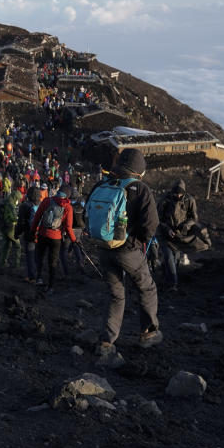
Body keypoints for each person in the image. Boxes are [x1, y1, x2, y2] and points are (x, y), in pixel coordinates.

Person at [87, 148, 161, 351]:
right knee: (147, 288)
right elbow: (151, 224)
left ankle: (107, 340)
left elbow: (87, 211)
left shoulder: (102, 184)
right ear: (139, 169)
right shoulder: (140, 189)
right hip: (128, 251)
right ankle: (149, 333)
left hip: (103, 248)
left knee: (116, 294)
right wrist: (137, 242)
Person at [30, 188, 76, 296]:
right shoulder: (68, 207)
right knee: (53, 262)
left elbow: (37, 217)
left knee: (40, 256)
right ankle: (51, 286)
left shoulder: (47, 201)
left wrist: (33, 231)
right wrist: (74, 240)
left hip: (42, 233)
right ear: (67, 196)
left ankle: (39, 278)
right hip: (56, 237)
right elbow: (68, 227)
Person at [157, 179, 198, 293]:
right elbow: (158, 218)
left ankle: (165, 277)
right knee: (169, 257)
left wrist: (186, 226)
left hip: (180, 235)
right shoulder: (165, 200)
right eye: (176, 193)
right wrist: (167, 229)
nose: (178, 195)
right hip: (165, 234)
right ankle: (173, 284)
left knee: (176, 259)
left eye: (180, 193)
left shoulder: (189, 201)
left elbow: (194, 218)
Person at [16, 186, 42, 283]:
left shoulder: (25, 206)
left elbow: (21, 223)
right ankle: (39, 275)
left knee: (30, 255)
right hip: (42, 233)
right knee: (38, 255)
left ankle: (32, 277)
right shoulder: (42, 204)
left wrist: (17, 233)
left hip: (30, 234)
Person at [0, 190, 22, 269]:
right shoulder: (11, 205)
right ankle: (17, 265)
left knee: (6, 245)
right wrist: (18, 218)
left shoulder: (6, 201)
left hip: (3, 226)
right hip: (10, 228)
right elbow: (12, 217)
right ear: (16, 198)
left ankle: (3, 263)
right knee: (18, 245)